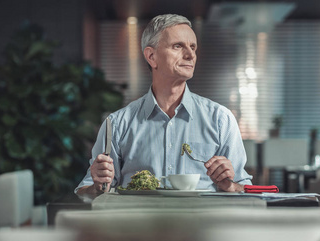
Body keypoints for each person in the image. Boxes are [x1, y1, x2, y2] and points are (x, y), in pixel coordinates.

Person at [76, 14, 252, 195]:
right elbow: (86, 191)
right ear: (151, 56)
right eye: (178, 46)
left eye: (193, 47)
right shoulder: (117, 124)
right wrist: (97, 186)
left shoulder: (220, 119)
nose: (190, 54)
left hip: (200, 222)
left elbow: (245, 188)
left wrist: (230, 186)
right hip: (137, 223)